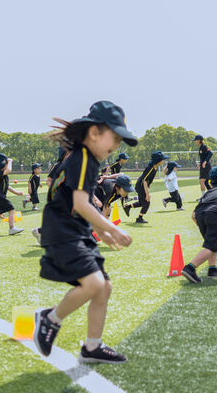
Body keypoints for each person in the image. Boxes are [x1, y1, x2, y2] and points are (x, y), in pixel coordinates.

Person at [33, 100, 138, 364]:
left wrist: (103, 234)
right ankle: (49, 319)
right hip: (62, 231)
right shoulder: (81, 159)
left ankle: (92, 347)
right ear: (94, 133)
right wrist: (113, 228)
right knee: (93, 284)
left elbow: (83, 204)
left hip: (76, 229)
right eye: (113, 138)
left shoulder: (90, 161)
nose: (116, 146)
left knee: (104, 288)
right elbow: (81, 204)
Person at [123, 151, 169, 224]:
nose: (163, 161)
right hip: (141, 186)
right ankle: (139, 218)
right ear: (158, 160)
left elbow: (148, 178)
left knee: (142, 203)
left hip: (141, 185)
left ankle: (128, 207)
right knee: (147, 202)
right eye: (162, 159)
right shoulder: (150, 168)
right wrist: (147, 193)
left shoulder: (155, 168)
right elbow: (144, 180)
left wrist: (149, 183)